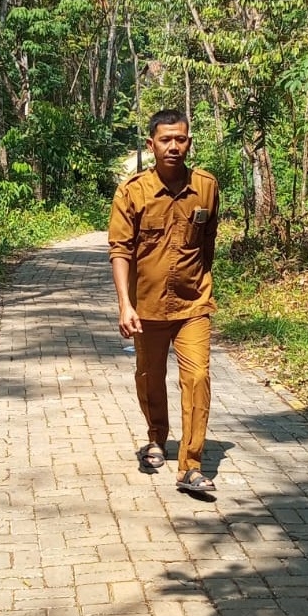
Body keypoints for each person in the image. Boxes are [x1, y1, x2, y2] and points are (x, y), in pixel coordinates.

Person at [108, 108, 220, 494]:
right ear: (151, 144)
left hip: (193, 304)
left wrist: (202, 283)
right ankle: (156, 437)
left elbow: (208, 242)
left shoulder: (206, 187)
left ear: (189, 141)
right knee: (149, 376)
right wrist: (126, 304)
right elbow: (119, 250)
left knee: (198, 377)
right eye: (166, 139)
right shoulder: (132, 191)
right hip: (148, 307)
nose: (174, 146)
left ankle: (191, 464)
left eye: (181, 139)